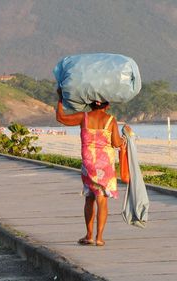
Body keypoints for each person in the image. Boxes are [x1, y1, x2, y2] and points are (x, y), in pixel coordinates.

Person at [56, 88, 127, 247]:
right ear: (107, 106)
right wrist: (125, 138)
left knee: (89, 198)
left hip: (88, 163)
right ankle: (99, 237)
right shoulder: (110, 120)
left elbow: (60, 118)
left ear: (91, 104)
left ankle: (88, 235)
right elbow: (116, 143)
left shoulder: (84, 117)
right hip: (105, 165)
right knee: (102, 200)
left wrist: (60, 97)